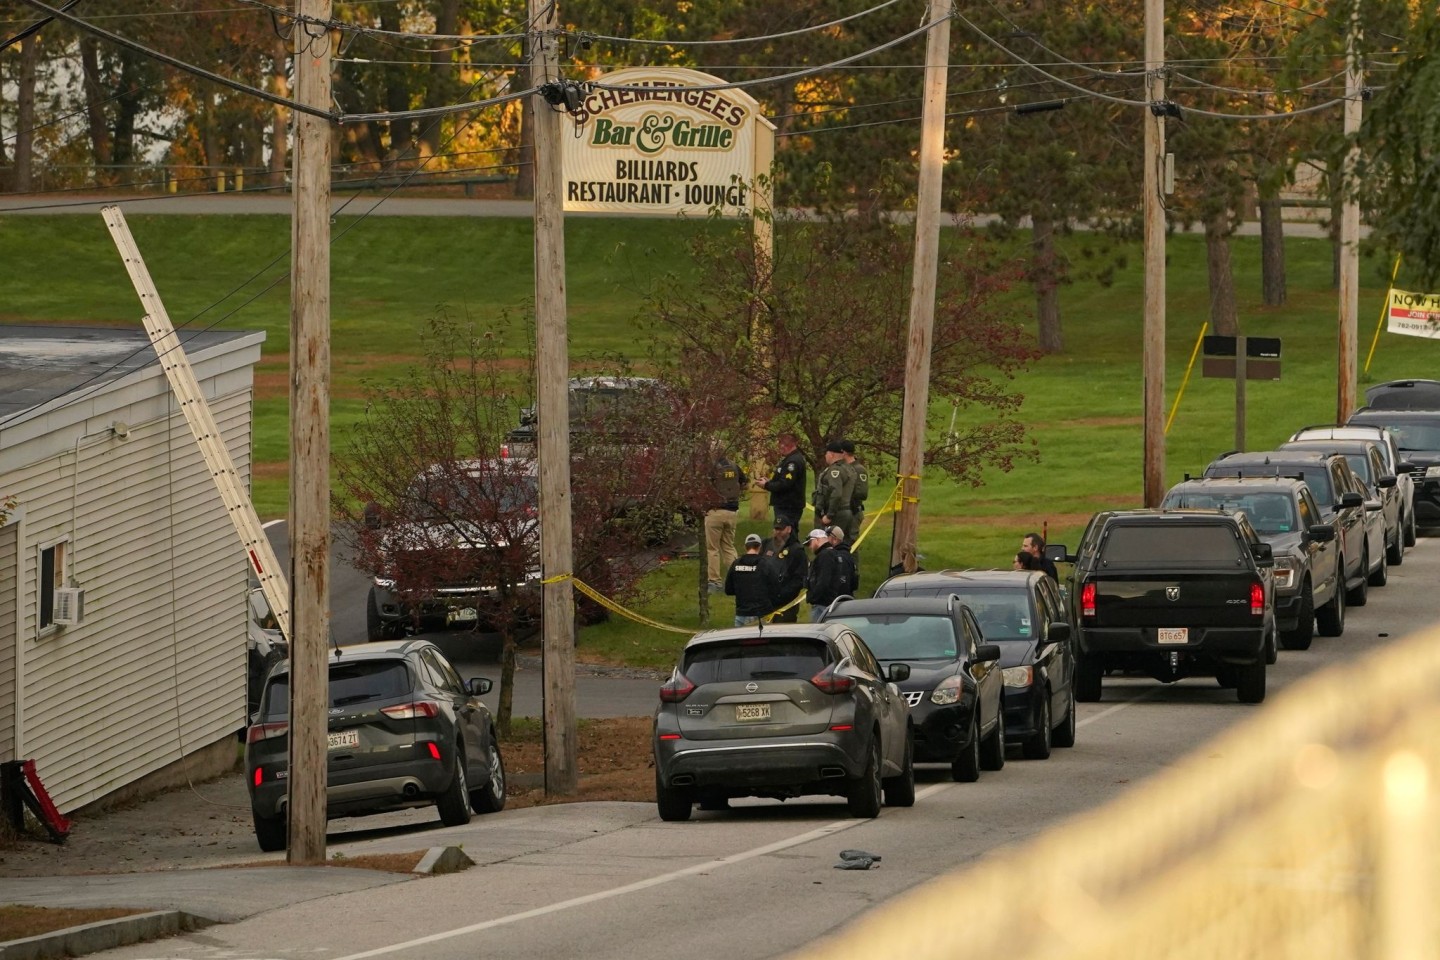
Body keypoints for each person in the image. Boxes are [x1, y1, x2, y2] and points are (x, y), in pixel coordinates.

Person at [704, 453, 747, 594]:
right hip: (732, 512)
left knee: (713, 549)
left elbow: (704, 487)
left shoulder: (711, 468)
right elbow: (744, 484)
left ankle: (714, 582)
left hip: (715, 511)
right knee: (728, 547)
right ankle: (738, 579)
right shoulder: (734, 466)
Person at [724, 534, 779, 627]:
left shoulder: (736, 564)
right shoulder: (765, 564)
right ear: (760, 547)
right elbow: (775, 588)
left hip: (741, 613)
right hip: (762, 614)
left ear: (745, 547)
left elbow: (728, 590)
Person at [762, 516, 808, 623]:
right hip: (765, 601)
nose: (778, 532)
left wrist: (782, 594)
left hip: (786, 604)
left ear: (789, 529)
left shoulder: (797, 550)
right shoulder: (766, 544)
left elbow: (799, 578)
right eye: (776, 529)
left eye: (781, 529)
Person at [760, 433, 807, 528]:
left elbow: (785, 484)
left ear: (786, 446)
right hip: (786, 504)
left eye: (781, 445)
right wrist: (770, 481)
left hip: (788, 506)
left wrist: (766, 485)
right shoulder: (789, 459)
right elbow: (785, 479)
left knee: (785, 532)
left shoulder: (792, 462)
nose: (780, 448)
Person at [814, 441, 856, 546]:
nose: (825, 456)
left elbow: (836, 493)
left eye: (826, 453)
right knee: (843, 545)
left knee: (829, 545)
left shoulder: (835, 470)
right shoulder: (849, 468)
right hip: (847, 511)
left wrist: (829, 515)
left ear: (831, 454)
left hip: (837, 513)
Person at [804, 527, 844, 621]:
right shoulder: (832, 553)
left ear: (817, 540)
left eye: (810, 543)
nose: (809, 547)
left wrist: (813, 597)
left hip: (822, 605)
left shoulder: (825, 555)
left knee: (817, 633)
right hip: (828, 604)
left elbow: (823, 581)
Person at [841, 439, 868, 546]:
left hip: (853, 511)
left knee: (850, 544)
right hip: (844, 512)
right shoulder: (842, 468)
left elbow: (862, 493)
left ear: (844, 452)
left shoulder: (858, 469)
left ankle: (853, 563)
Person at [828, 525, 859, 597]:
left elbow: (842, 582)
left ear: (834, 539)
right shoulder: (847, 555)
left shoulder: (840, 557)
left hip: (839, 601)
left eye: (827, 537)